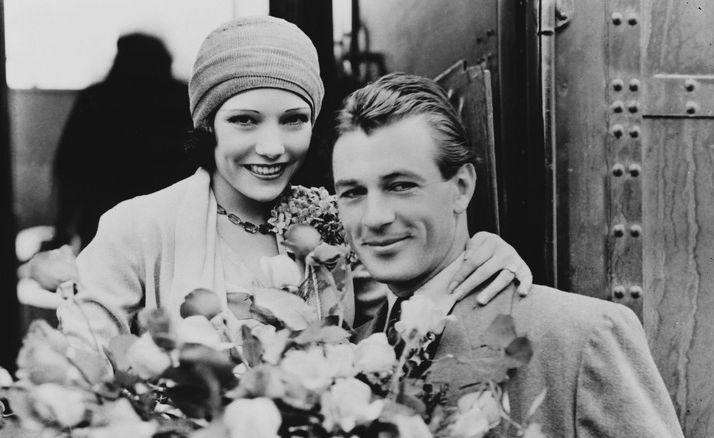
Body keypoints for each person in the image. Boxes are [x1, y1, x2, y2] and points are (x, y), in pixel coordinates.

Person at [57, 16, 531, 353]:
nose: (271, 147)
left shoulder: (339, 219)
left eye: (293, 120)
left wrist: (476, 259)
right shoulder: (137, 229)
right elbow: (79, 373)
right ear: (208, 126)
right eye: (244, 120)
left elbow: (403, 320)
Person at [334, 73, 683, 437]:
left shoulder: (580, 337)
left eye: (401, 186)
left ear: (462, 188)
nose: (375, 217)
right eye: (353, 193)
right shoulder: (343, 360)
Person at [51, 33, 191, 251]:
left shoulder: (96, 98)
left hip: (103, 216)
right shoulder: (180, 98)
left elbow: (69, 168)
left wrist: (61, 228)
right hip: (166, 219)